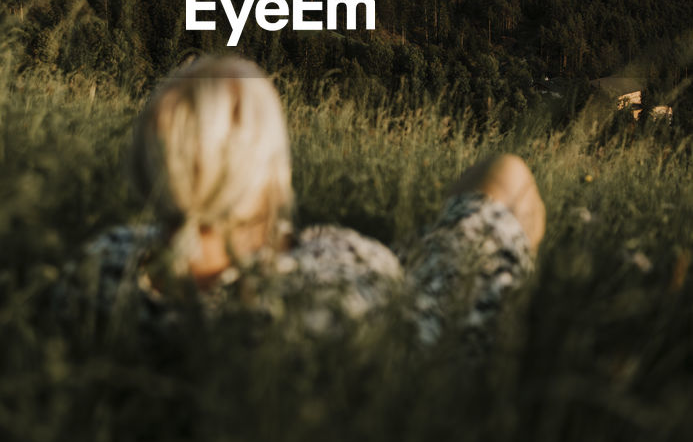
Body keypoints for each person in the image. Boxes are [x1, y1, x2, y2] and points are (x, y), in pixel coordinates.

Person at [65, 54, 545, 343]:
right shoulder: (338, 289)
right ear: (270, 177)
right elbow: (401, 302)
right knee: (508, 176)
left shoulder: (103, 268)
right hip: (436, 317)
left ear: (145, 170)